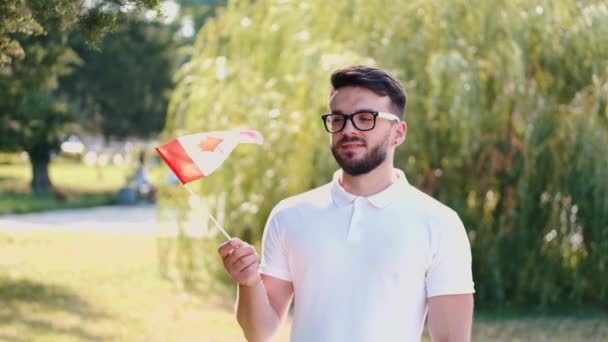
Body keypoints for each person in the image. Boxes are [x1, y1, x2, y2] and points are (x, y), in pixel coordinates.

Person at [218, 65, 475, 342]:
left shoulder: (439, 223)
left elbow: (451, 339)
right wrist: (249, 283)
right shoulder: (290, 215)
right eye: (338, 119)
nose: (348, 129)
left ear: (398, 133)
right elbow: (259, 333)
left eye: (365, 118)